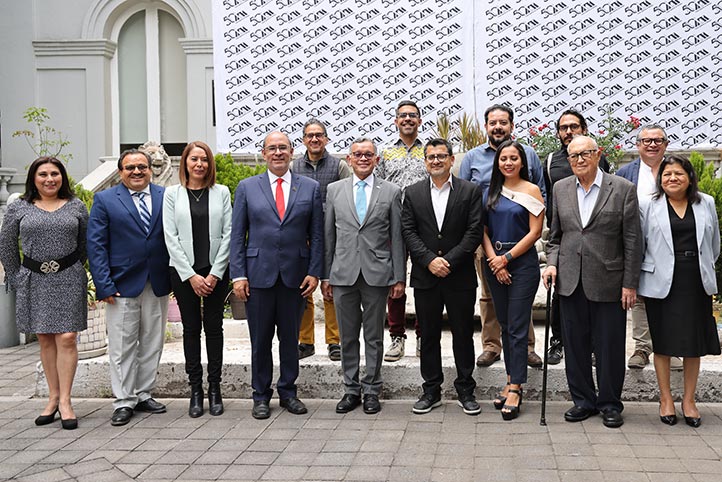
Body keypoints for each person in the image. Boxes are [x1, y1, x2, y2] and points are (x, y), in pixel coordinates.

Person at [543, 135, 641, 428]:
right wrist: (551, 263)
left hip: (609, 281)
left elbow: (633, 240)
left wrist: (630, 283)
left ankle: (610, 403)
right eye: (573, 156)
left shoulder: (622, 188)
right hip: (570, 280)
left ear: (598, 154)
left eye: (585, 153)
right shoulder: (560, 188)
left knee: (609, 347)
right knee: (575, 346)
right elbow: (555, 237)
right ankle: (583, 401)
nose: (579, 160)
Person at [230, 131, 323, 420]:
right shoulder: (247, 187)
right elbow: (237, 235)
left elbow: (317, 235)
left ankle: (288, 392)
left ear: (292, 151)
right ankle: (260, 395)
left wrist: (314, 272)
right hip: (258, 276)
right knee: (260, 340)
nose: (278, 153)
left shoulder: (310, 187)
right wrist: (238, 275)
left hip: (296, 277)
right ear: (264, 153)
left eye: (283, 147)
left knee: (290, 339)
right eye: (272, 148)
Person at [0, 157, 88, 430]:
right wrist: (16, 276)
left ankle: (67, 401)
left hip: (69, 277)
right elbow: (6, 245)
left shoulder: (76, 206)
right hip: (34, 279)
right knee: (45, 338)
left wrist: (73, 268)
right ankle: (53, 398)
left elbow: (85, 244)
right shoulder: (19, 207)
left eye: (55, 174)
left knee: (68, 337)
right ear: (33, 178)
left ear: (62, 177)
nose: (50, 179)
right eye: (43, 174)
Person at [87, 149, 171, 427]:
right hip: (120, 284)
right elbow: (96, 245)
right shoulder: (105, 200)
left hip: (157, 281)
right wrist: (104, 284)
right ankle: (124, 400)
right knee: (122, 345)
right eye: (130, 167)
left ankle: (144, 394)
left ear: (150, 169)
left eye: (142, 166)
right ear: (121, 172)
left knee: (152, 341)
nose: (137, 171)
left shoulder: (165, 195)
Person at [322, 138, 405, 415]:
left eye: (368, 154)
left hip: (377, 274)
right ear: (349, 159)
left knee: (374, 336)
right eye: (357, 154)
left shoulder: (391, 191)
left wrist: (398, 277)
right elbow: (329, 236)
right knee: (347, 337)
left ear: (377, 160)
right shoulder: (334, 190)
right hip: (342, 274)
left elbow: (397, 238)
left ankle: (371, 390)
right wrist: (325, 276)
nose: (363, 158)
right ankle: (350, 389)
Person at [459, 104, 545, 369]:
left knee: (520, 298)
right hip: (485, 239)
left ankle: (525, 347)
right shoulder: (472, 158)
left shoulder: (528, 154)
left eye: (503, 122)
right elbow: (463, 196)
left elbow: (540, 192)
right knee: (489, 295)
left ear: (511, 125)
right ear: (486, 126)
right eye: (493, 123)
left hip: (520, 240)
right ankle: (491, 346)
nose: (498, 127)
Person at [402, 138, 484, 415]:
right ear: (425, 162)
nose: (436, 161)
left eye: (441, 156)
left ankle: (465, 389)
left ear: (451, 159)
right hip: (426, 277)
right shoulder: (412, 193)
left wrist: (448, 261)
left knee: (463, 334)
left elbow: (474, 231)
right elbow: (408, 231)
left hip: (459, 276)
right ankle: (431, 390)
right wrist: (429, 260)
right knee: (428, 335)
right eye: (431, 157)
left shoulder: (470, 191)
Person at [638, 156, 721, 427]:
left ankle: (689, 400)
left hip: (695, 280)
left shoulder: (706, 202)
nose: (672, 178)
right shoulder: (648, 205)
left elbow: (714, 245)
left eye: (678, 173)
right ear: (660, 179)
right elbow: (640, 245)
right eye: (667, 174)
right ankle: (665, 399)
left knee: (693, 344)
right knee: (663, 342)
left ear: (689, 177)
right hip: (660, 282)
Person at [163, 141, 232, 418]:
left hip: (216, 271)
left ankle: (215, 388)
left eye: (204, 159)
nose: (199, 164)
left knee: (214, 328)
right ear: (185, 163)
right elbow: (170, 236)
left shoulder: (221, 192)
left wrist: (215, 273)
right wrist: (191, 275)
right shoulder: (172, 194)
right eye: (194, 159)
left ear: (209, 163)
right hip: (183, 273)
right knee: (191, 329)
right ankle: (195, 390)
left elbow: (229, 234)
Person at [483, 140, 544, 420]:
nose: (508, 163)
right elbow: (482, 230)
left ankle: (517, 387)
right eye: (503, 158)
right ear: (497, 163)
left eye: (513, 158)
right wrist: (494, 261)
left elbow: (535, 232)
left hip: (521, 265)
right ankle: (510, 380)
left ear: (522, 162)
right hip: (494, 264)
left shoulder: (531, 190)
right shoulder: (490, 191)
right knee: (506, 326)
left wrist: (506, 259)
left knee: (519, 326)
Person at [543, 110, 610, 365]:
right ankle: (558, 341)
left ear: (584, 128)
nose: (568, 131)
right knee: (562, 289)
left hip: (592, 234)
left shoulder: (597, 158)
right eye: (563, 127)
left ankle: (592, 345)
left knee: (591, 288)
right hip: (564, 233)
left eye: (573, 126)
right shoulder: (551, 161)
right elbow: (548, 196)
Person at [617, 124, 682, 371]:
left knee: (670, 295)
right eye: (647, 141)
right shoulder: (625, 173)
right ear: (638, 145)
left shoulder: (676, 170)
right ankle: (642, 348)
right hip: (636, 241)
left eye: (658, 140)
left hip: (671, 243)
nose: (652, 145)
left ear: (666, 144)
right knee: (639, 294)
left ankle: (669, 348)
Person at [293, 119, 351, 361]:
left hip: (333, 237)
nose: (314, 139)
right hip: (302, 237)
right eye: (310, 135)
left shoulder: (339, 166)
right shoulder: (294, 167)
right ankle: (305, 341)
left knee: (331, 289)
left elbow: (348, 198)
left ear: (326, 139)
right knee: (303, 289)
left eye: (319, 135)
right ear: (304, 140)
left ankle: (334, 341)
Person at [375, 100, 427, 362]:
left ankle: (422, 335)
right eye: (403, 115)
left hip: (424, 224)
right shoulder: (385, 153)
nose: (407, 119)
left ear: (419, 121)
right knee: (394, 281)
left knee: (423, 281)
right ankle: (396, 336)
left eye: (412, 115)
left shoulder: (429, 151)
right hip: (392, 223)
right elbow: (376, 187)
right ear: (396, 121)